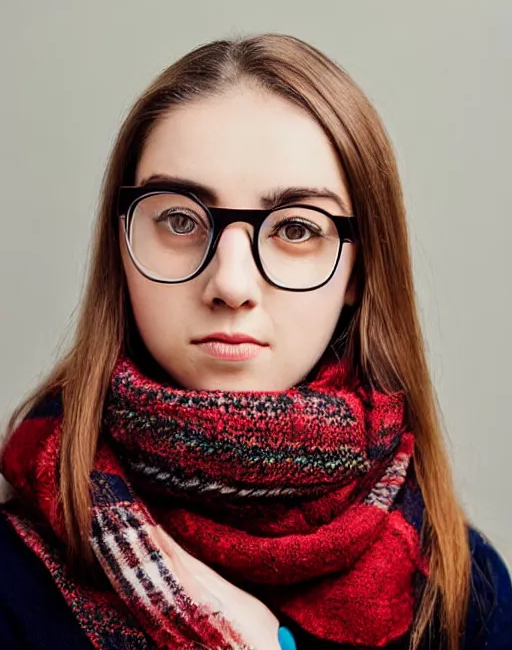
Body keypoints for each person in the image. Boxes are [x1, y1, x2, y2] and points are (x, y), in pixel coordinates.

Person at [0, 34, 510, 650]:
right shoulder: (10, 573)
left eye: (296, 228)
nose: (231, 284)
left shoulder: (464, 589)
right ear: (122, 246)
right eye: (181, 221)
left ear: (358, 272)